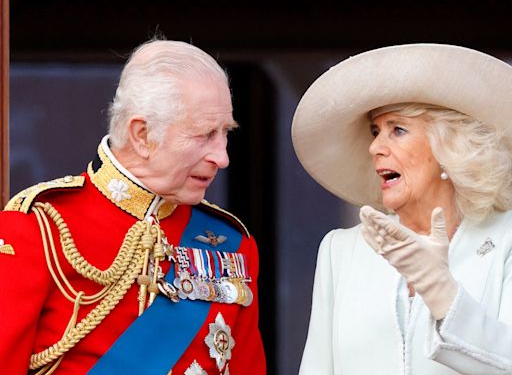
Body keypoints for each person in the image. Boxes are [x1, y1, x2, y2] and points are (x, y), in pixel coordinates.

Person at [0, 39, 266, 375]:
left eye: (225, 133)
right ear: (141, 135)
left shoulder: (233, 246)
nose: (222, 157)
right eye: (205, 134)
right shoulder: (38, 230)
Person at [292, 43, 512, 374]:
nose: (375, 147)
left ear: (447, 147)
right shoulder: (342, 250)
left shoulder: (505, 241)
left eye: (398, 129)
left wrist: (440, 289)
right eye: (375, 131)